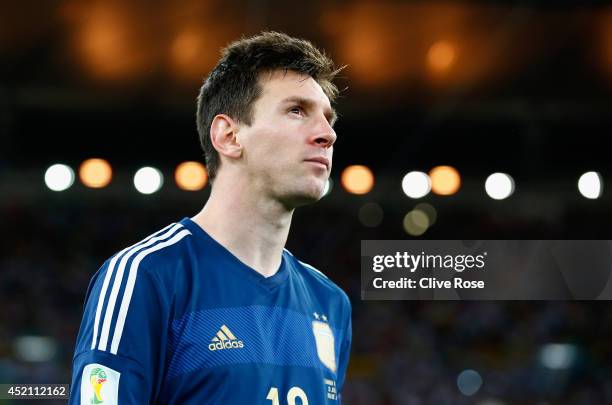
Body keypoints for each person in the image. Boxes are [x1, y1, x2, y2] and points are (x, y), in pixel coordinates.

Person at [69, 31, 352, 404]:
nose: (327, 134)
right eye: (296, 110)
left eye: (328, 118)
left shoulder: (330, 303)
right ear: (229, 135)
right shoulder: (147, 275)